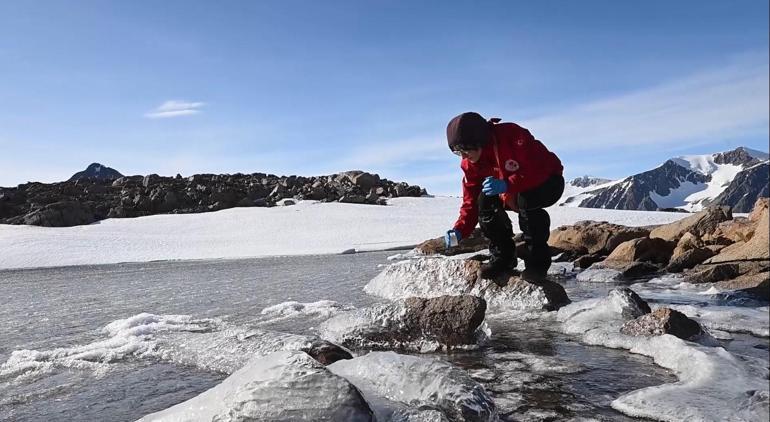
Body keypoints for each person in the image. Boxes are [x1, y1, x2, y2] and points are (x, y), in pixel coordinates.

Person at [443, 112, 564, 281]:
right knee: (484, 202)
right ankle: (503, 258)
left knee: (526, 200)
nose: (463, 157)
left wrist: (508, 184)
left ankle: (537, 264)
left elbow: (538, 169)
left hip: (548, 182)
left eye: (465, 149)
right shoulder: (469, 164)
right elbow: (470, 201)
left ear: (479, 141)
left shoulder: (513, 136)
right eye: (457, 152)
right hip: (511, 189)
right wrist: (459, 230)